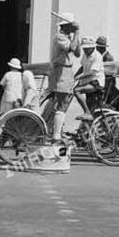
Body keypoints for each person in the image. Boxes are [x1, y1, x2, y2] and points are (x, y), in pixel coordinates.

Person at [49, 12, 82, 142]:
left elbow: (78, 53)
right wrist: (77, 32)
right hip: (60, 71)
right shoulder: (60, 37)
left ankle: (57, 130)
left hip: (67, 72)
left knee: (66, 101)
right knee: (63, 102)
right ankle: (56, 135)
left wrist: (76, 36)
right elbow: (72, 48)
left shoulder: (68, 37)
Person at [73, 38, 105, 116]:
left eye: (87, 48)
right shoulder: (85, 55)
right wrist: (73, 77)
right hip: (87, 81)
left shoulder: (97, 56)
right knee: (89, 105)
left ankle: (87, 113)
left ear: (92, 47)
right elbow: (82, 68)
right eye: (84, 48)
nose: (85, 50)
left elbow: (92, 72)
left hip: (96, 82)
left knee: (76, 90)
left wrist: (77, 78)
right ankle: (88, 118)